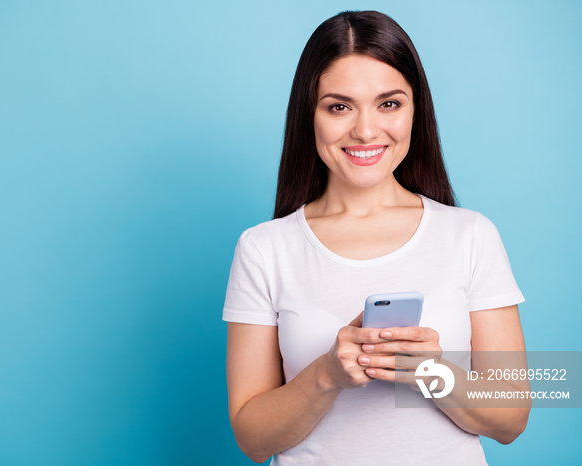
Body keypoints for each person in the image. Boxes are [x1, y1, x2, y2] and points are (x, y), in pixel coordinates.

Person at [222, 10, 530, 466]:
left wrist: (430, 371)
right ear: (310, 115)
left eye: (389, 103)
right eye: (339, 106)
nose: (365, 130)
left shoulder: (470, 236)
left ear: (414, 111)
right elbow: (252, 440)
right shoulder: (264, 249)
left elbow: (510, 419)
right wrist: (326, 375)